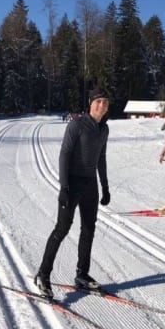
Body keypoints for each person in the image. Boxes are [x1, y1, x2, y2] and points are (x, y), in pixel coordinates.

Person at [35, 88, 111, 298]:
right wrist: (64, 187)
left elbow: (101, 158)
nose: (101, 105)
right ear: (90, 103)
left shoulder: (104, 130)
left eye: (105, 102)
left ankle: (82, 275)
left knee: (89, 229)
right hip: (73, 183)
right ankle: (43, 274)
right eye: (98, 101)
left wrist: (104, 186)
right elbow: (64, 154)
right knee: (62, 228)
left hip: (91, 185)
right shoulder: (77, 125)